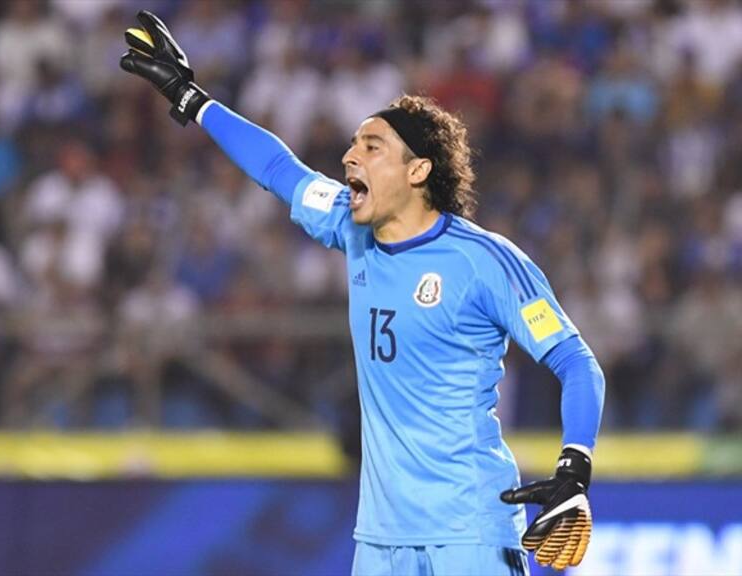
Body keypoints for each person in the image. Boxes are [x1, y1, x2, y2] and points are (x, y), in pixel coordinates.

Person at [120, 11, 605, 575]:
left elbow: (576, 362)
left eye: (371, 147)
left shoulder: (485, 262)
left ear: (419, 170)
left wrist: (575, 470)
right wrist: (191, 98)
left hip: (468, 531)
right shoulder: (353, 228)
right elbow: (279, 167)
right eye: (353, 145)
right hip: (379, 541)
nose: (349, 157)